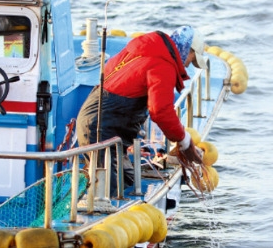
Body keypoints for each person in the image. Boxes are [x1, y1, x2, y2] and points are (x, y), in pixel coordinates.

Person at [76, 25, 206, 197]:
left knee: (127, 178)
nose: (189, 63)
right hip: (99, 127)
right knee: (107, 191)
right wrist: (185, 142)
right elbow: (161, 112)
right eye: (192, 58)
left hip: (97, 119)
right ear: (186, 49)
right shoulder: (163, 64)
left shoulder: (148, 49)